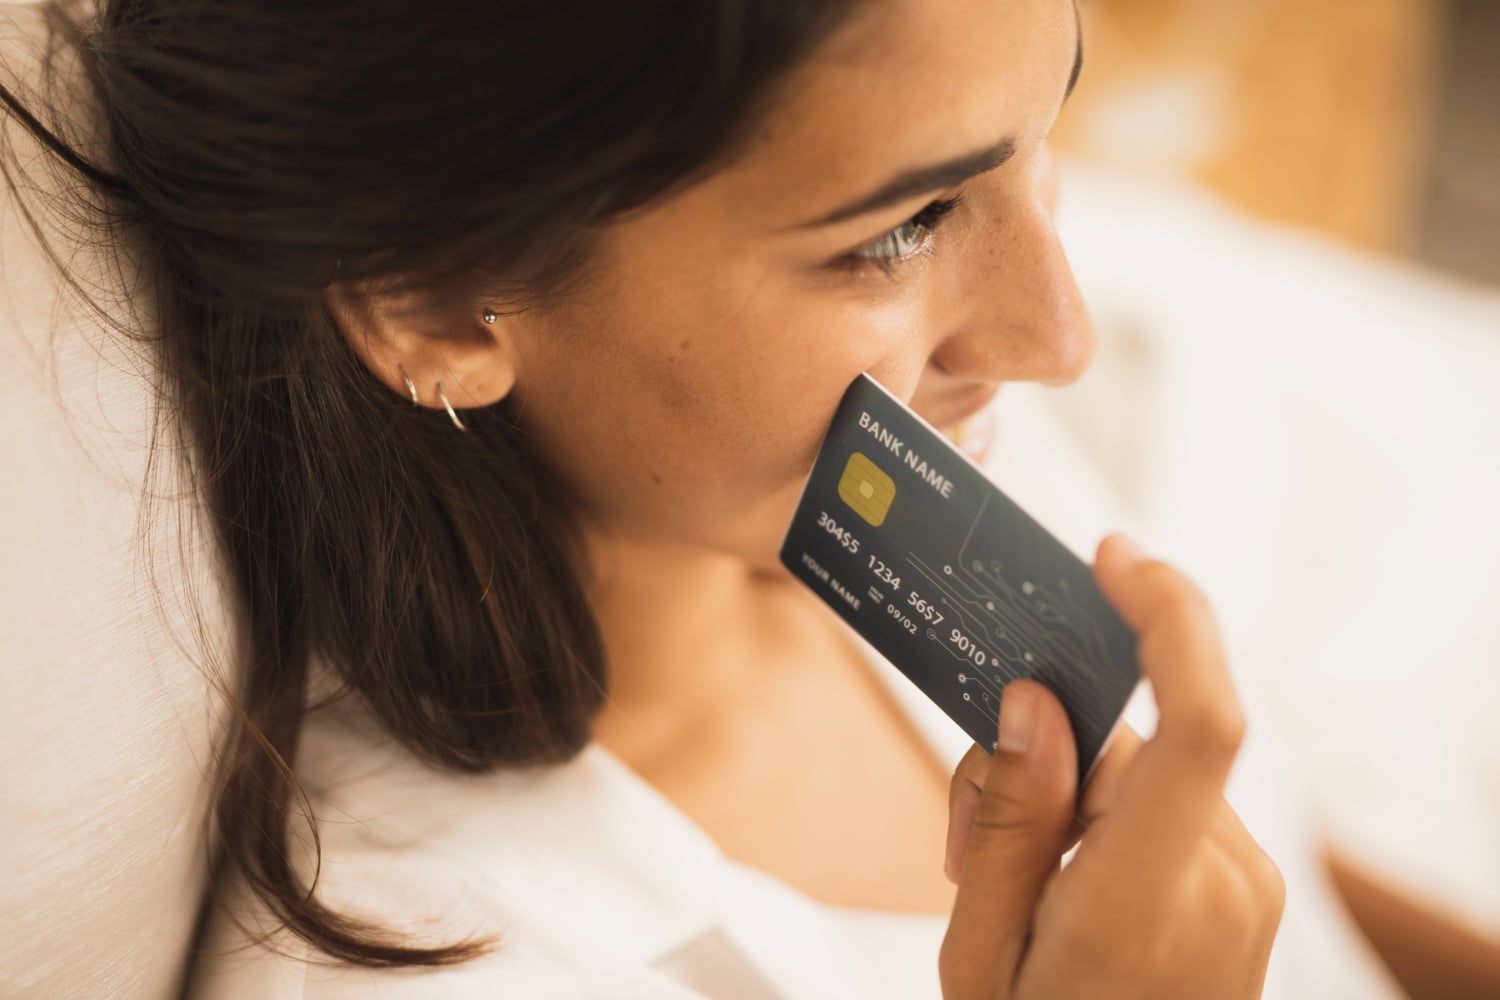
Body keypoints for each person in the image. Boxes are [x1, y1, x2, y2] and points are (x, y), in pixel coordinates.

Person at [1, 0, 1293, 995]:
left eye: (1044, 134)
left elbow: (1295, 896)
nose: (1058, 334)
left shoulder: (908, 477)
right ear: (439, 302)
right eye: (906, 226)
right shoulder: (465, 955)